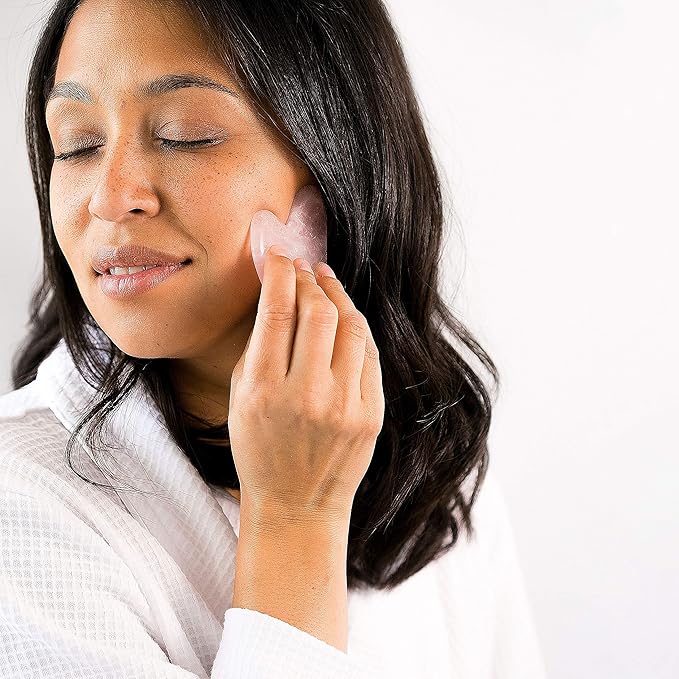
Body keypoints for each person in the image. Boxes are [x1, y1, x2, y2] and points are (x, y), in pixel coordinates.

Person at [0, 0, 546, 676]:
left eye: (185, 134)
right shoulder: (19, 503)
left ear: (333, 168)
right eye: (78, 144)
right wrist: (295, 520)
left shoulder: (435, 465)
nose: (110, 198)